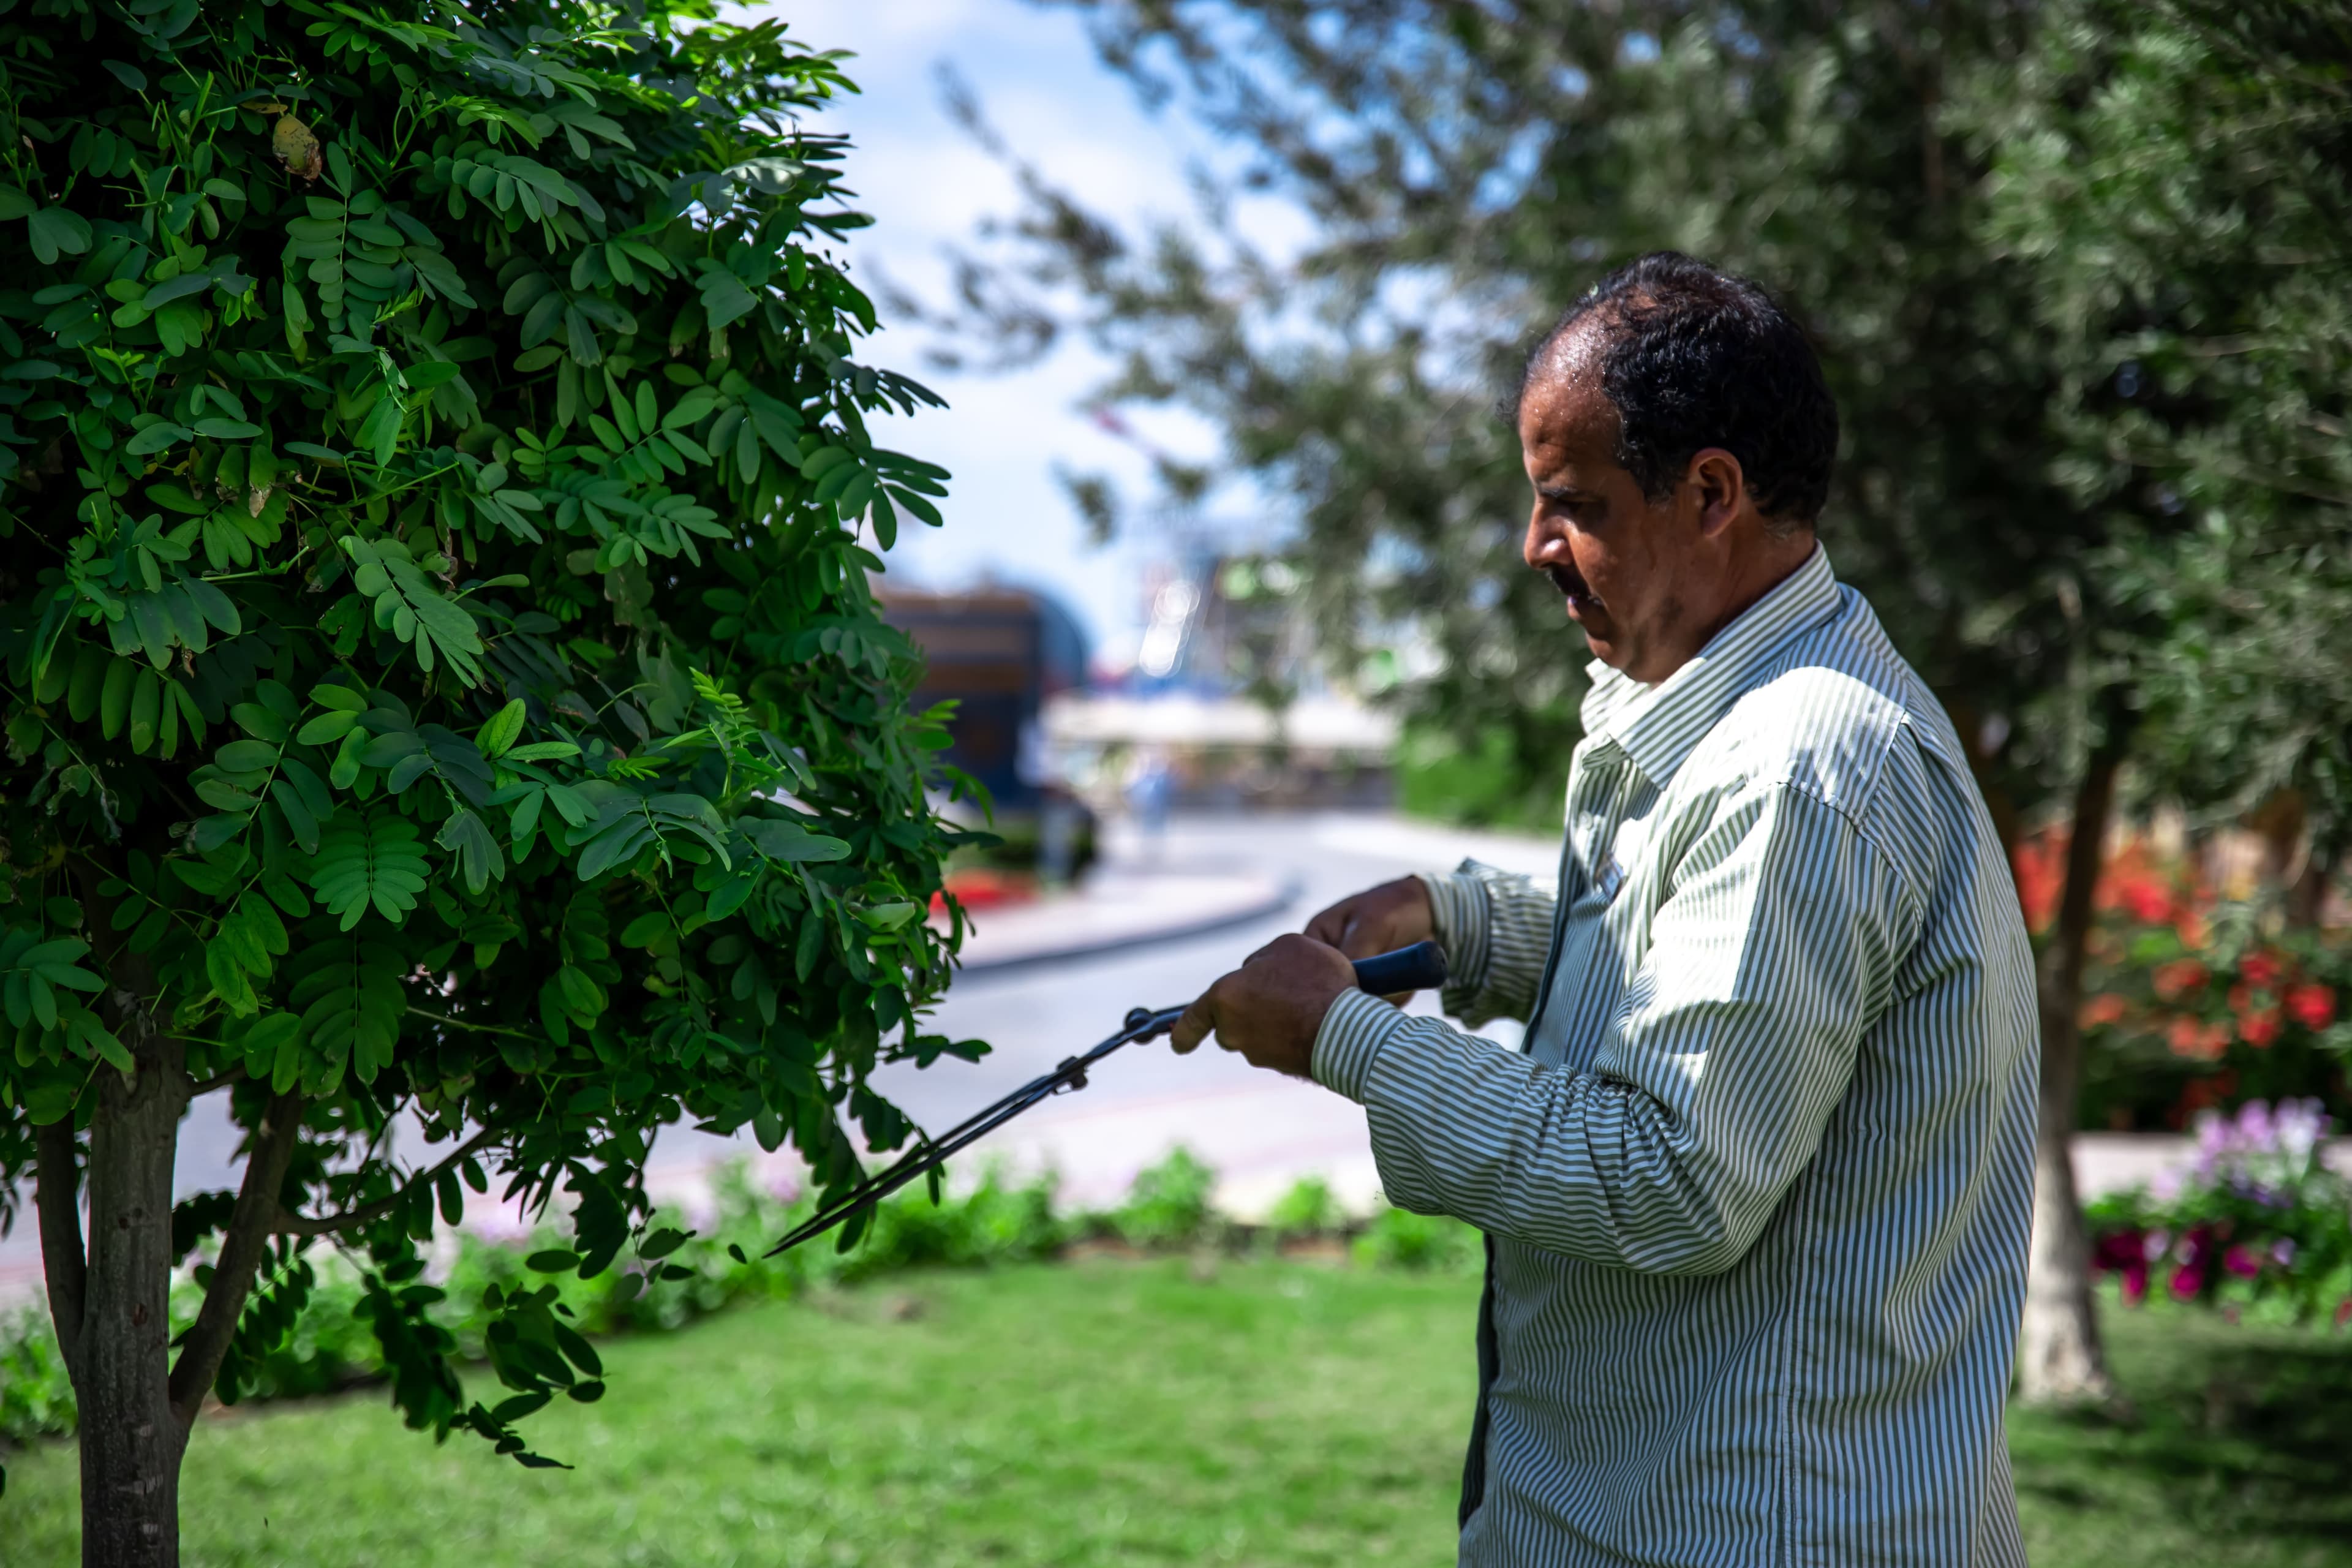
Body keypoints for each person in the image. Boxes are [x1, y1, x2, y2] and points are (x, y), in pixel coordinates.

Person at [1171, 252, 2038, 1566]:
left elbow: (1673, 1176)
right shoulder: (1750, 712)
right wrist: (1469, 928)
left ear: (1709, 492)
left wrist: (1341, 1038)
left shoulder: (1796, 763)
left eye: (1569, 504)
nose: (1535, 550)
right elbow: (1703, 960)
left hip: (1752, 1526)